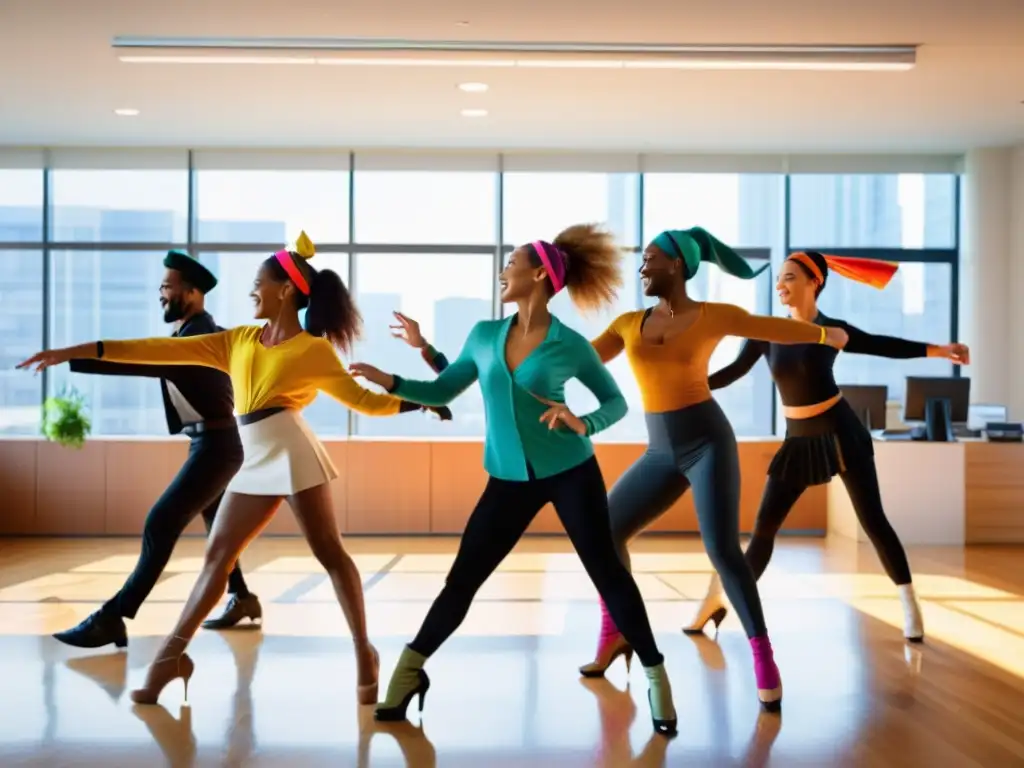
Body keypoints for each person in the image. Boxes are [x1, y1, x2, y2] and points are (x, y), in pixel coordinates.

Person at [387, 228, 850, 713]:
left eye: (650, 259)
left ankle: (763, 656)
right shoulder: (629, 324)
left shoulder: (715, 316)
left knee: (722, 551)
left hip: (708, 443)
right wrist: (436, 358)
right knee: (607, 536)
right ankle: (615, 636)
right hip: (661, 452)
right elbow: (539, 365)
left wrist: (825, 333)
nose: (642, 267)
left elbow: (771, 327)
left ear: (677, 265)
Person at [18, 232, 446, 707]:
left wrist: (419, 404)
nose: (251, 292)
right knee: (216, 559)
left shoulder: (313, 351)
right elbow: (150, 350)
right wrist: (72, 352)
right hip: (252, 456)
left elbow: (363, 402)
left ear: (285, 289)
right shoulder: (236, 341)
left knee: (331, 555)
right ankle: (169, 659)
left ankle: (364, 653)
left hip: (292, 452)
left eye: (259, 283)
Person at [350, 224, 681, 736]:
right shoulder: (484, 336)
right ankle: (409, 672)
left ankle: (657, 675)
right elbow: (442, 391)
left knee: (608, 573)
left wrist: (582, 421)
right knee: (462, 580)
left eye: (511, 263)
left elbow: (615, 402)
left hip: (571, 471)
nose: (503, 271)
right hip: (507, 478)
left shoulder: (569, 345)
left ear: (539, 276)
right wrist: (390, 381)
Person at [685, 250, 970, 643]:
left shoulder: (832, 330)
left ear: (813, 282)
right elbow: (732, 373)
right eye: (779, 279)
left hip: (842, 432)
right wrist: (686, 386)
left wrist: (939, 350)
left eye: (789, 277)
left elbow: (881, 345)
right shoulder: (766, 332)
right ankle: (717, 600)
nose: (781, 285)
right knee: (764, 528)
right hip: (798, 440)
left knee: (873, 522)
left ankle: (909, 602)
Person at [50, 251, 261, 651]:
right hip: (211, 442)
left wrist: (71, 355)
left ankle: (112, 617)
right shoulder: (192, 334)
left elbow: (135, 359)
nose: (161, 294)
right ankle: (243, 598)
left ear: (193, 292)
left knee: (161, 522)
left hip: (217, 446)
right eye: (161, 286)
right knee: (218, 528)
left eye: (167, 286)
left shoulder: (198, 336)